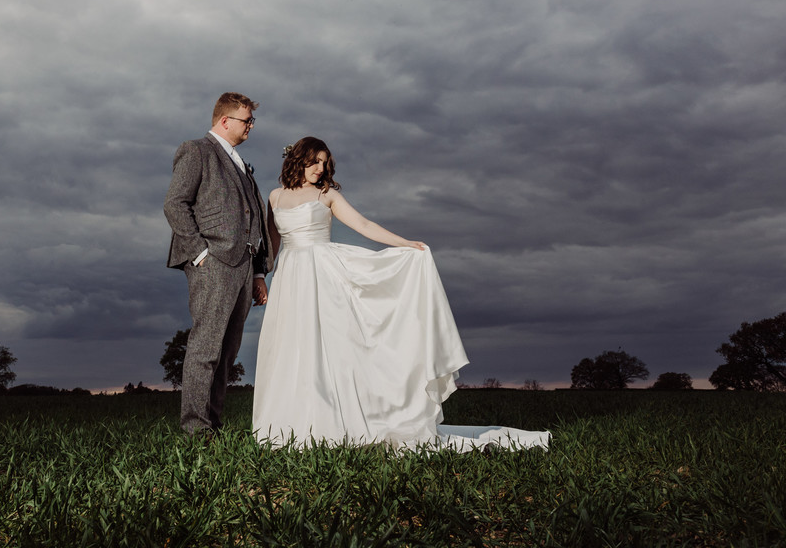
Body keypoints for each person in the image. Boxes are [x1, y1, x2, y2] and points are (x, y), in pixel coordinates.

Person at [252, 136, 549, 451]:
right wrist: (261, 275)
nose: (320, 168)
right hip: (290, 278)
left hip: (323, 275)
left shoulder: (326, 195)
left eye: (325, 162)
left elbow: (364, 225)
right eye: (315, 161)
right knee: (293, 346)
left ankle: (341, 418)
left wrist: (405, 244)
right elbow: (272, 242)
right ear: (300, 158)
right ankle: (296, 422)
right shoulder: (275, 197)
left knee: (331, 347)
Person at [165, 92, 273, 438]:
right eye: (247, 121)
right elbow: (175, 204)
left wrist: (258, 270)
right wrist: (200, 253)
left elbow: (253, 215)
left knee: (227, 354)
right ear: (225, 121)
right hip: (212, 262)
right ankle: (196, 431)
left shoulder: (242, 163)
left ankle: (213, 425)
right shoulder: (196, 150)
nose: (251, 127)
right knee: (206, 348)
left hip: (243, 266)